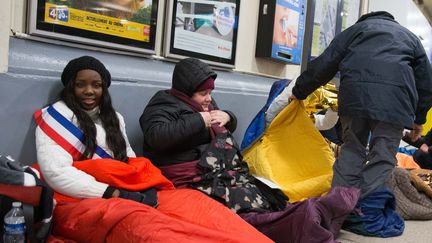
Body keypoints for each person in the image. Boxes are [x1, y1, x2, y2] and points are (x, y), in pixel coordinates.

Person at [34, 56, 272, 243]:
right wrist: (115, 194)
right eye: (81, 85)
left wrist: (140, 187)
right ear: (70, 87)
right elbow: (57, 175)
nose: (89, 91)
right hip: (81, 199)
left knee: (195, 203)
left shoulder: (113, 118)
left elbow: (129, 161)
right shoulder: (56, 118)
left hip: (125, 189)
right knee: (149, 227)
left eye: (96, 85)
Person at [140, 57, 360, 243]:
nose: (208, 99)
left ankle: (305, 214)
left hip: (218, 171)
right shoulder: (162, 104)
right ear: (186, 91)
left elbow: (223, 123)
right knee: (240, 202)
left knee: (266, 194)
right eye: (203, 94)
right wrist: (200, 120)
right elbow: (157, 136)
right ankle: (303, 218)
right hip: (194, 177)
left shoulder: (203, 103)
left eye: (209, 93)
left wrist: (228, 116)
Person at [290, 11, 432, 198]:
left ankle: (337, 204)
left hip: (354, 100)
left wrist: (298, 92)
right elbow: (426, 82)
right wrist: (419, 119)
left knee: (351, 150)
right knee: (382, 157)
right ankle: (361, 206)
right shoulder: (410, 38)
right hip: (394, 105)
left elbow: (323, 64)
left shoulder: (354, 32)